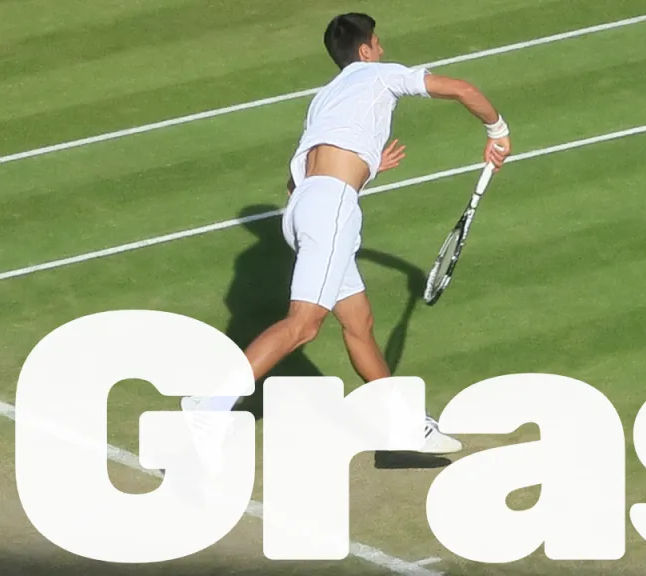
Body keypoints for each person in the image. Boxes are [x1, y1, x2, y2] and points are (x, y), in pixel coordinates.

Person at [181, 12, 512, 455]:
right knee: (303, 326)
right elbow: (462, 90)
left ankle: (406, 424)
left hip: (302, 208)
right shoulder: (380, 75)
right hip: (332, 209)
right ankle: (211, 405)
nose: (382, 50)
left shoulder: (325, 97)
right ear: (365, 51)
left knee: (359, 323)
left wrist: (367, 167)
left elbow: (301, 177)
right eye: (377, 44)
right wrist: (499, 131)